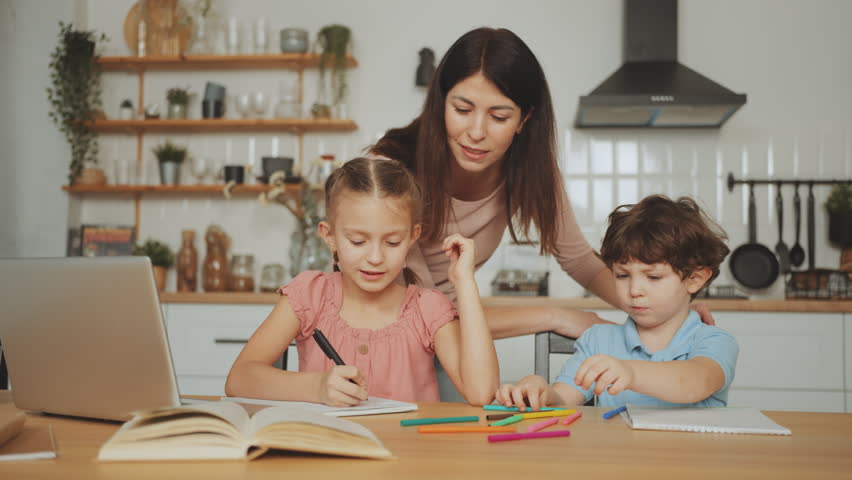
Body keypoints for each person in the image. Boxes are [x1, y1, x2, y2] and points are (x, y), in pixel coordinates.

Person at [370, 27, 715, 341]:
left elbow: (580, 260)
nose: (476, 132)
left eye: (499, 116)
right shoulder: (392, 172)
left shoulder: (527, 169)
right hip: (378, 338)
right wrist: (556, 316)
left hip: (447, 339)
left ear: (525, 119)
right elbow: (425, 312)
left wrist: (668, 308)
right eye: (462, 109)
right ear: (440, 103)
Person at [225, 157, 499, 406]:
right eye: (358, 241)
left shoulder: (428, 308)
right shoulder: (309, 295)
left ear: (412, 237)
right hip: (326, 453)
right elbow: (239, 379)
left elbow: (481, 393)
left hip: (411, 459)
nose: (376, 257)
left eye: (393, 242)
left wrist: (466, 283)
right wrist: (317, 387)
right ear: (329, 235)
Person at [494, 195, 738, 409]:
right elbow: (565, 398)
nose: (634, 290)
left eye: (653, 277)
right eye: (622, 275)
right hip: (616, 460)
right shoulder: (599, 340)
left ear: (695, 279)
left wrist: (631, 372)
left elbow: (696, 382)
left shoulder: (713, 341)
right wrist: (541, 392)